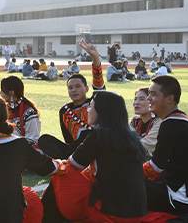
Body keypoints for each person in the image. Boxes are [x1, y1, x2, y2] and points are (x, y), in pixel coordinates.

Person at [41, 91, 149, 223]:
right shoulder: (130, 136)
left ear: (102, 111)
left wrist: (57, 164)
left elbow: (72, 165)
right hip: (138, 210)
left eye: (91, 106)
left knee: (61, 170)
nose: (87, 110)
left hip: (112, 211)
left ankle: (45, 215)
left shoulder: (100, 135)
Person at [143, 76, 188, 218]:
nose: (148, 98)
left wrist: (128, 173)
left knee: (120, 182)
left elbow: (156, 166)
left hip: (177, 196)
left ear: (169, 99)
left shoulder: (170, 124)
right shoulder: (181, 119)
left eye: (153, 94)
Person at [38, 39, 105, 159]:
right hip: (75, 151)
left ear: (87, 88)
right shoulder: (64, 111)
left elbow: (99, 83)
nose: (74, 90)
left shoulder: (95, 103)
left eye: (78, 86)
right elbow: (68, 140)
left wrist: (95, 57)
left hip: (96, 148)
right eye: (70, 88)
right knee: (44, 140)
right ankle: (69, 164)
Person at [0, 76, 41, 147]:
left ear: (11, 92)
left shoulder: (29, 112)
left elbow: (33, 139)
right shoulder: (3, 109)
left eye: (2, 90)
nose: (0, 93)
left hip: (24, 152)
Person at [130, 87, 162, 154]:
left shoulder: (160, 121)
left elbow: (145, 145)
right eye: (135, 99)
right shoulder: (134, 121)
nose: (136, 102)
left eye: (141, 99)